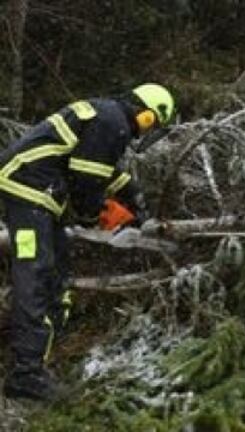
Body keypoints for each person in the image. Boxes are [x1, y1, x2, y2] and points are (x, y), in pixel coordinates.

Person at [0, 83, 175, 401]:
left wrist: (133, 196)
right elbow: (88, 181)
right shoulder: (113, 123)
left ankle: (38, 361)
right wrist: (93, 216)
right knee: (36, 276)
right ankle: (25, 374)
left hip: (40, 194)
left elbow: (100, 168)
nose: (147, 133)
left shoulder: (107, 116)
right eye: (153, 126)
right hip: (28, 190)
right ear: (148, 116)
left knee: (56, 277)